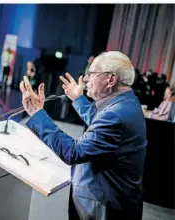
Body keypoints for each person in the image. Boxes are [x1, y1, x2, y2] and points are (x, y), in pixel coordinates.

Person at [20, 51, 147, 219]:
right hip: (115, 198)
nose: (85, 79)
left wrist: (37, 114)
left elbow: (73, 152)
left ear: (111, 79)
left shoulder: (115, 115)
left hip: (104, 205)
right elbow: (101, 124)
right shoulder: (127, 101)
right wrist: (78, 99)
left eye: (92, 73)